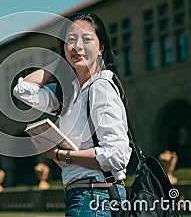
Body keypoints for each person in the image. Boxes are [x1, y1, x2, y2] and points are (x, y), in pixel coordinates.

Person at [13, 12, 131, 216]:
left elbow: (117, 155)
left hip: (95, 196)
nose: (77, 46)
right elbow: (23, 90)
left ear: (101, 47)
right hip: (82, 195)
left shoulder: (100, 87)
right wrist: (59, 63)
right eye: (70, 40)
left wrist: (61, 155)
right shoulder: (71, 92)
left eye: (86, 39)